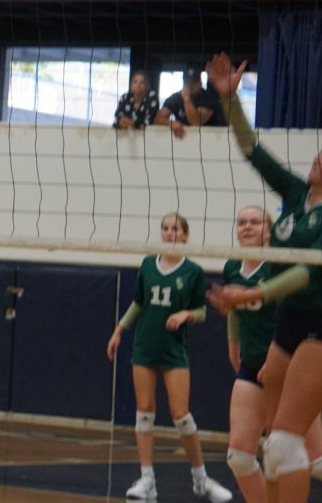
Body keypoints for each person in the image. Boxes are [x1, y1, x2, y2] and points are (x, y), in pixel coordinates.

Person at [205, 53, 322, 503]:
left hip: (318, 325)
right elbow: (254, 151)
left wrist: (253, 292)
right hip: (288, 324)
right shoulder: (295, 194)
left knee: (287, 443)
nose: (317, 158)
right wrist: (230, 102)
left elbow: (305, 274)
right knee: (271, 446)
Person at [105, 213, 232, 502]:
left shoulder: (193, 271)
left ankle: (201, 479)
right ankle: (147, 480)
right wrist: (118, 330)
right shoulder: (149, 264)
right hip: (144, 347)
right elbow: (139, 302)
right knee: (144, 412)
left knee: (181, 416)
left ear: (185, 235)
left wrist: (186, 313)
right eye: (165, 228)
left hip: (173, 351)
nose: (169, 232)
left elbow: (200, 311)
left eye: (175, 228)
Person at [220, 206, 322, 503]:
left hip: (290, 367)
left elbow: (297, 315)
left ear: (270, 230)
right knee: (240, 455)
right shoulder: (232, 266)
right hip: (251, 365)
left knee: (308, 457)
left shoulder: (281, 266)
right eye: (241, 222)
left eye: (255, 222)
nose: (247, 227)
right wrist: (232, 341)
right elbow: (233, 302)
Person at [155, 65, 224, 138]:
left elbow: (196, 122)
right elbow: (156, 119)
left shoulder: (208, 97)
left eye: (193, 82)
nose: (190, 85)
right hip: (183, 139)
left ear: (200, 83)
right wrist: (170, 123)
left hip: (212, 139)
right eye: (187, 81)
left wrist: (187, 99)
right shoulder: (175, 98)